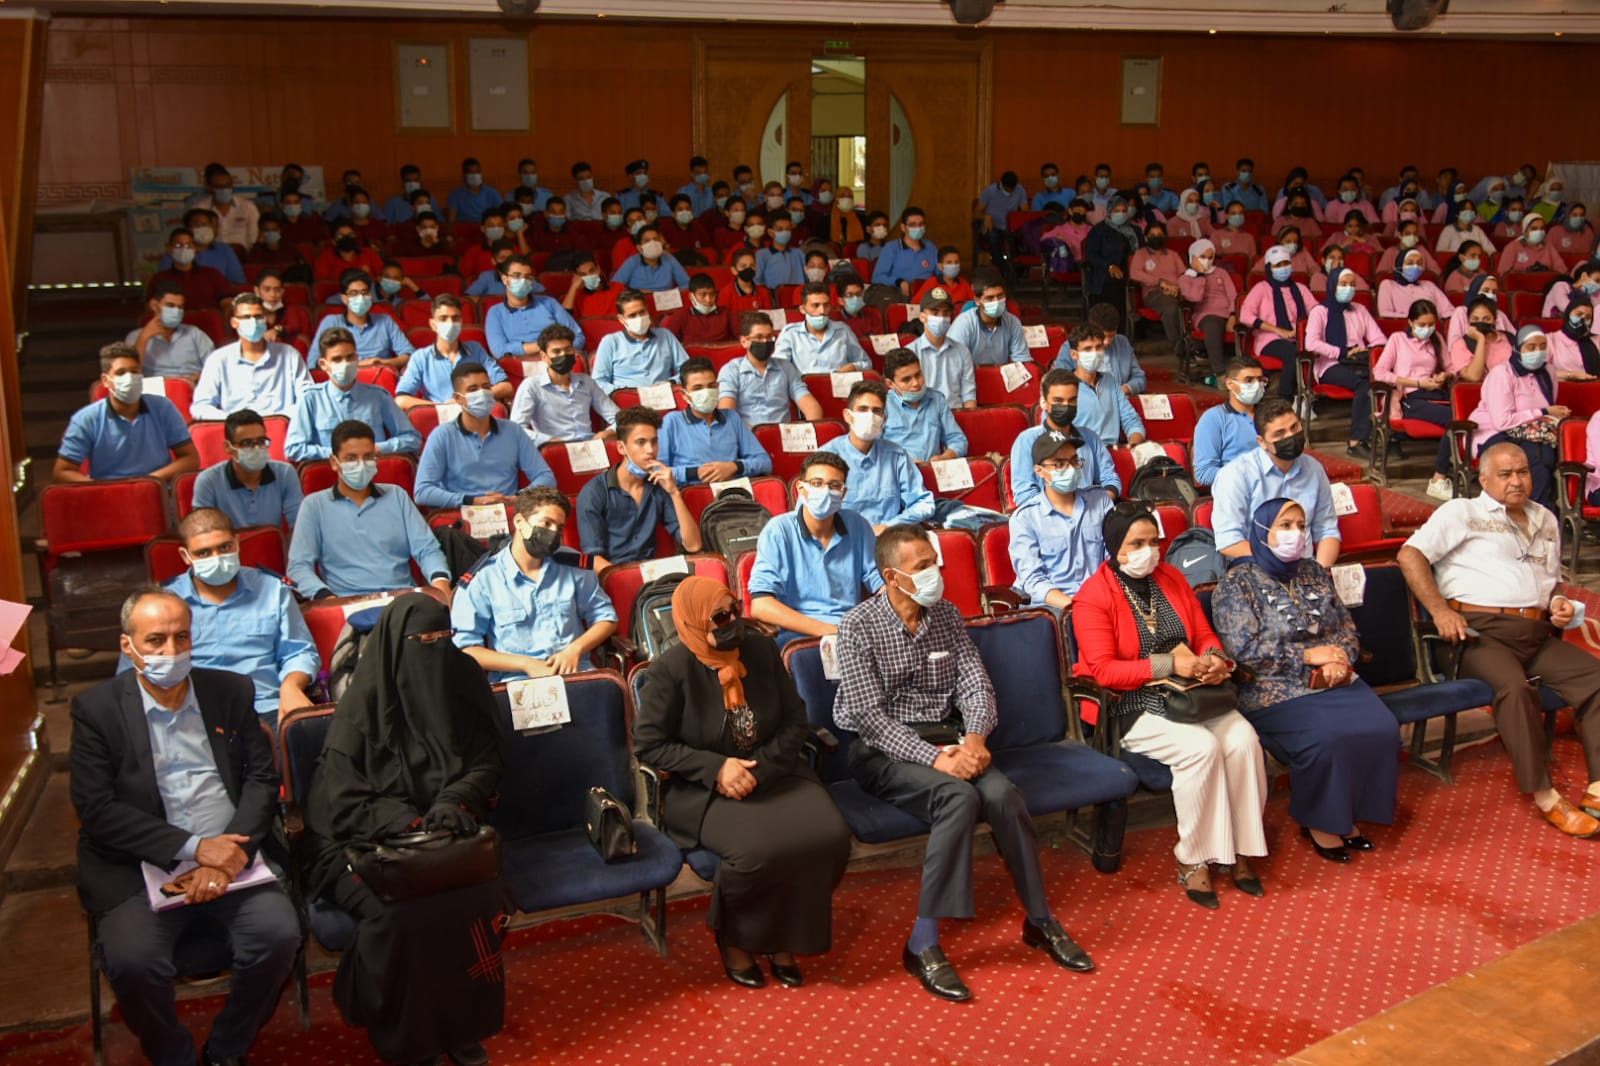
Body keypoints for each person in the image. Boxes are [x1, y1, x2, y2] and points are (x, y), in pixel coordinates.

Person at [835, 525, 1095, 999]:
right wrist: (936, 760)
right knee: (957, 797)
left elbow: (976, 685)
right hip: (883, 750)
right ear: (891, 576)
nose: (935, 573)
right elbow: (869, 719)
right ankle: (923, 941)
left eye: (934, 562)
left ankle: (1040, 919)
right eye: (922, 567)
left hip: (949, 738)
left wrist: (974, 738)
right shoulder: (858, 626)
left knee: (1004, 795)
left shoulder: (947, 615)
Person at [71, 587, 301, 1066]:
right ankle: (172, 1055)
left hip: (232, 858)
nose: (170, 651)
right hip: (139, 867)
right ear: (127, 645)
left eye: (181, 637)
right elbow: (97, 808)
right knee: (133, 962)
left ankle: (227, 1048)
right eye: (155, 640)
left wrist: (228, 855)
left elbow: (261, 779)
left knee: (279, 935)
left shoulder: (229, 691)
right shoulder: (96, 710)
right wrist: (197, 849)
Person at [301, 593, 506, 1066]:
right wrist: (404, 822)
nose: (434, 650)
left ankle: (462, 1025)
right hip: (357, 840)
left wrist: (453, 800)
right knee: (402, 914)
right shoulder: (365, 704)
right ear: (396, 644)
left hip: (446, 829)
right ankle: (409, 1036)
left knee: (475, 895)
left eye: (443, 638)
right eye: (422, 641)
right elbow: (344, 800)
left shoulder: (462, 678)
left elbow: (487, 760)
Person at [632, 575, 850, 990]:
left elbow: (795, 721)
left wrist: (759, 769)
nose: (733, 621)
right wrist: (716, 769)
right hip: (703, 789)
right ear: (694, 623)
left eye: (734, 608)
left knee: (831, 837)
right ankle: (736, 938)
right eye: (719, 617)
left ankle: (784, 936)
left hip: (772, 772)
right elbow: (649, 745)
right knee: (757, 852)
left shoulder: (761, 649)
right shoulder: (669, 672)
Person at [1072, 503, 1269, 909]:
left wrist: (1214, 659)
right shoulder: (1093, 596)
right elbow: (1104, 671)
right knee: (1201, 748)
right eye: (1136, 544)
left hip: (1190, 693)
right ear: (1115, 547)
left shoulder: (1171, 577)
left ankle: (1242, 849)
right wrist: (1168, 665)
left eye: (1153, 542)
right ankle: (1193, 857)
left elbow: (1203, 634)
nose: (1149, 551)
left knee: (1244, 740)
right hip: (1131, 704)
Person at [1398, 442, 1600, 836]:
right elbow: (1410, 555)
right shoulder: (1462, 512)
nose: (1516, 481)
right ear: (1484, 479)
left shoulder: (1545, 518)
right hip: (1475, 633)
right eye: (1505, 474)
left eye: (1522, 472)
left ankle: (1597, 789)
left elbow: (1552, 583)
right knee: (1514, 688)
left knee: (1596, 679)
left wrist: (1559, 602)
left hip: (1535, 632)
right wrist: (1439, 610)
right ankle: (1546, 796)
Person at [1213, 498, 1399, 862]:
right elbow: (1243, 649)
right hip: (1274, 689)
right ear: (1262, 531)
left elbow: (1345, 626)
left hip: (1333, 678)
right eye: (1284, 526)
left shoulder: (1313, 571)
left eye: (1301, 526)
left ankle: (1350, 814)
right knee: (1327, 739)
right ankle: (1321, 822)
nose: (1295, 534)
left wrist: (1341, 656)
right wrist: (1308, 657)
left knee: (1383, 728)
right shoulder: (1237, 583)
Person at [135, 508, 318, 722]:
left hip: (264, 708)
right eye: (204, 553)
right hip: (191, 714)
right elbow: (138, 667)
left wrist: (291, 687)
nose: (217, 559)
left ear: (237, 543)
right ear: (185, 556)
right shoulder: (162, 603)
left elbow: (299, 652)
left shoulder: (273, 590)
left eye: (224, 547)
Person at [452, 487, 617, 682]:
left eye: (559, 528)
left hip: (574, 671)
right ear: (519, 522)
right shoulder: (483, 578)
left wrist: (575, 649)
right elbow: (466, 648)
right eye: (546, 523)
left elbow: (606, 618)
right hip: (517, 679)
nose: (553, 533)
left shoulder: (572, 564)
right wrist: (525, 664)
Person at [287, 421, 452, 601]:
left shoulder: (397, 496)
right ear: (334, 462)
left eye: (367, 457)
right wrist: (326, 598)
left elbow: (427, 549)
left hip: (403, 600)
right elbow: (299, 566)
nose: (361, 464)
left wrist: (440, 581)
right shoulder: (314, 505)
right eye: (351, 458)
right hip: (347, 602)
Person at [746, 451, 881, 642]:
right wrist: (830, 631)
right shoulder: (779, 530)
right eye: (817, 483)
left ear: (843, 493)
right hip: (799, 633)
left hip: (851, 630)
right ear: (801, 489)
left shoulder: (857, 525)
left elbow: (880, 583)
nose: (825, 491)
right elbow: (761, 605)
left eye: (834, 486)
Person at [1212, 399, 1340, 566]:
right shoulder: (1236, 475)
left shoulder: (1314, 469)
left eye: (1294, 427)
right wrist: (1277, 568)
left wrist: (1319, 572)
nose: (1290, 436)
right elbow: (1229, 540)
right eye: (1279, 434)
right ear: (1262, 442)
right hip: (1255, 569)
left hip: (1305, 569)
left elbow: (1327, 530)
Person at [575, 406, 702, 571]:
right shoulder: (594, 492)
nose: (650, 450)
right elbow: (594, 559)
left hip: (653, 573)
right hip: (612, 575)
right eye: (641, 442)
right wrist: (627, 579)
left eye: (654, 442)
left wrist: (674, 493)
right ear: (621, 448)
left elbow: (693, 545)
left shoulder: (660, 485)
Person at [413, 363, 555, 508]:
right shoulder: (441, 436)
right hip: (464, 512)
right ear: (458, 398)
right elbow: (422, 492)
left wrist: (515, 498)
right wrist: (473, 501)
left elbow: (546, 477)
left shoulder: (513, 431)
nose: (482, 394)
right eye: (473, 389)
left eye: (486, 387)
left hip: (509, 510)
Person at [55, 344, 196, 484]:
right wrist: (100, 488)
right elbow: (62, 472)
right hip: (108, 492)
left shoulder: (163, 407)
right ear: (105, 380)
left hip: (159, 488)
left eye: (134, 372)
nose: (129, 378)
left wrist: (149, 481)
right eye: (121, 372)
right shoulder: (86, 418)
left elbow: (190, 458)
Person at [1008, 430, 1114, 610]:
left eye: (1074, 460)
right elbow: (1033, 581)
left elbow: (1114, 558)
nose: (1070, 469)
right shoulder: (1025, 518)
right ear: (1039, 471)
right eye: (1059, 464)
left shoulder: (1100, 501)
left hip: (1098, 600)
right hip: (1052, 606)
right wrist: (1077, 607)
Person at [1464, 325, 1565, 511]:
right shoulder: (1502, 374)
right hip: (1494, 433)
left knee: (1549, 457)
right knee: (1533, 463)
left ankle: (1540, 512)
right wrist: (1543, 411)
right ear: (1518, 348)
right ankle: (1522, 513)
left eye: (1543, 347)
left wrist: (1548, 413)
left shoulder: (1548, 371)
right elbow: (1502, 421)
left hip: (1531, 432)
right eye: (1531, 347)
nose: (1538, 352)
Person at [285, 329, 419, 461]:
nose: (345, 364)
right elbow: (294, 449)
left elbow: (412, 439)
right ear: (323, 364)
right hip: (331, 470)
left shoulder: (378, 396)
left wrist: (377, 448)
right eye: (337, 359)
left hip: (374, 468)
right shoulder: (310, 398)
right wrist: (340, 454)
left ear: (356, 358)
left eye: (350, 357)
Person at [820, 381, 934, 532]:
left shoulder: (896, 456)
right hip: (843, 537)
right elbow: (811, 510)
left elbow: (924, 503)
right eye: (863, 409)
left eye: (876, 411)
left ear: (884, 419)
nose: (870, 416)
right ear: (848, 416)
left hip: (888, 537)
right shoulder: (826, 458)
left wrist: (889, 526)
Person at [1371, 300, 1457, 499]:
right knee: (1454, 419)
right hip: (1410, 398)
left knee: (1464, 416)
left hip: (1436, 394)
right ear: (1410, 322)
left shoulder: (1437, 339)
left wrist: (1444, 376)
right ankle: (1438, 479)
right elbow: (1379, 373)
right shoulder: (1397, 339)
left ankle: (1455, 470)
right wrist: (1418, 383)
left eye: (1431, 324)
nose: (1427, 329)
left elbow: (1451, 368)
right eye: (1422, 325)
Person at [188, 294, 313, 421]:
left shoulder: (290, 355)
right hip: (236, 428)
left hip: (282, 426)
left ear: (265, 320)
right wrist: (231, 420)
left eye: (258, 317)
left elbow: (308, 397)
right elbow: (200, 406)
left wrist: (284, 418)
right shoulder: (218, 359)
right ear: (234, 322)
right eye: (246, 317)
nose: (253, 322)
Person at [1008, 370, 1121, 508]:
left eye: (1072, 400)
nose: (1066, 406)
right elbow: (1025, 495)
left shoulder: (1090, 437)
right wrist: (1063, 512)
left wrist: (1098, 507)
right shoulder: (1027, 441)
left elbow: (1110, 479)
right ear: (1044, 402)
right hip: (1046, 516)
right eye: (1058, 401)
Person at [1305, 268, 1385, 457]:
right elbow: (1311, 344)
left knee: (1385, 381)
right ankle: (1356, 441)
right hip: (1330, 364)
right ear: (1333, 285)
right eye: (1343, 284)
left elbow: (1380, 339)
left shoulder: (1360, 309)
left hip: (1359, 361)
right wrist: (1341, 352)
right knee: (1365, 385)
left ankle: (1392, 437)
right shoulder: (1319, 311)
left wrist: (1366, 351)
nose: (1348, 288)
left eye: (1352, 285)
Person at [657, 357, 773, 484]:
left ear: (718, 388)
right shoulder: (671, 422)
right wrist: (696, 472)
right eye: (698, 388)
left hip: (731, 491)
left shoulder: (732, 418)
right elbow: (658, 471)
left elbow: (764, 462)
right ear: (684, 395)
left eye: (711, 386)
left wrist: (734, 467)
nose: (706, 392)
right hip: (691, 492)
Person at [191, 409, 303, 530]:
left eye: (261, 441)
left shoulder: (285, 473)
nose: (256, 448)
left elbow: (299, 525)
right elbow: (204, 533)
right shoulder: (208, 481)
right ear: (228, 447)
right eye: (246, 443)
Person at [395, 296, 511, 412]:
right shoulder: (420, 358)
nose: (450, 323)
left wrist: (468, 400)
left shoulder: (476, 349)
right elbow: (401, 400)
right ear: (433, 324)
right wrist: (444, 407)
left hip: (477, 414)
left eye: (455, 318)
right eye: (443, 318)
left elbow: (506, 387)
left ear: (461, 322)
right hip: (439, 417)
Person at [509, 324, 618, 445]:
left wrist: (608, 433)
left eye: (568, 350)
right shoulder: (531, 386)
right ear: (544, 356)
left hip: (590, 446)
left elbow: (619, 418)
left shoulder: (586, 382)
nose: (563, 355)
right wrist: (550, 441)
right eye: (557, 352)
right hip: (554, 448)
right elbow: (517, 429)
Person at [715, 311, 821, 425]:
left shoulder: (786, 367)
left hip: (783, 432)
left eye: (769, 337)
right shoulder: (731, 370)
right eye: (759, 337)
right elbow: (727, 413)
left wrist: (813, 428)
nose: (765, 341)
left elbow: (810, 406)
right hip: (748, 433)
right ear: (744, 341)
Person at [1239, 245, 1315, 399]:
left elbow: (1316, 311)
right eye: (1278, 265)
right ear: (1269, 268)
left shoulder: (1300, 288)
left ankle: (1306, 397)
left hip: (1298, 338)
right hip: (1269, 339)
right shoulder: (1261, 288)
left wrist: (1304, 329)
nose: (1283, 268)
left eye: (1286, 263)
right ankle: (1284, 398)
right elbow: (1245, 316)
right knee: (1294, 354)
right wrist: (1277, 330)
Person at [484, 254, 587, 361]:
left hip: (558, 362)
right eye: (517, 276)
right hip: (520, 366)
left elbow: (578, 337)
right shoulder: (495, 313)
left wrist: (555, 352)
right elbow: (499, 351)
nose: (523, 281)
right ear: (505, 279)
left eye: (528, 277)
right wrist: (548, 346)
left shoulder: (549, 303)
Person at [310, 270, 412, 372]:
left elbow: (409, 353)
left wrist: (382, 363)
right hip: (345, 377)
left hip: (381, 375)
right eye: (354, 293)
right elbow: (313, 362)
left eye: (365, 292)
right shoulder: (331, 322)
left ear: (371, 295)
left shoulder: (385, 321)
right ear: (344, 298)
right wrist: (359, 365)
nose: (361, 297)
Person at [590, 291, 691, 392]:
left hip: (663, 394)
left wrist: (672, 382)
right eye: (632, 315)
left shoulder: (665, 335)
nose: (639, 318)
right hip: (627, 397)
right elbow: (598, 382)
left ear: (647, 311)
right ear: (621, 319)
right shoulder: (610, 342)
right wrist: (629, 392)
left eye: (642, 312)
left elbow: (688, 370)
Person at [1192, 356, 1268, 487]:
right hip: (1238, 491)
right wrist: (1248, 475)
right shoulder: (1214, 419)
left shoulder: (1270, 414)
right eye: (1249, 380)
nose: (1256, 385)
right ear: (1229, 384)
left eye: (1260, 380)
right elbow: (1204, 473)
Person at [881, 347, 967, 462]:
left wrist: (944, 457)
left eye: (918, 375)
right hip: (896, 470)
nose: (916, 383)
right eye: (906, 380)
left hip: (932, 468)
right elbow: (872, 450)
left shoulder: (937, 399)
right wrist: (903, 464)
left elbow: (958, 440)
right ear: (890, 384)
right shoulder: (882, 405)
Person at [1065, 323, 1145, 446]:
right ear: (1074, 355)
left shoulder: (1110, 381)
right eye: (1087, 349)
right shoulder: (1063, 388)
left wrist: (1134, 442)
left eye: (1098, 347)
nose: (1095, 353)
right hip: (1081, 451)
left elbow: (1131, 419)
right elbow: (1056, 432)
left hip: (1113, 450)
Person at [772, 281, 866, 373]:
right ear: (803, 309)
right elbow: (778, 368)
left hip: (838, 382)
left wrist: (854, 366)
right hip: (803, 382)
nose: (822, 311)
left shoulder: (843, 330)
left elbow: (865, 362)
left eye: (826, 305)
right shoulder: (790, 333)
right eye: (815, 305)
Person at [129, 281, 216, 379]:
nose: (176, 311)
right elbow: (131, 374)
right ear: (154, 306)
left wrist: (193, 379)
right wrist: (144, 337)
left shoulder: (195, 334)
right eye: (170, 306)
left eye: (180, 307)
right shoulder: (135, 336)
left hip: (192, 385)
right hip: (156, 386)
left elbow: (215, 367)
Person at [1178, 239, 1240, 378]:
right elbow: (1195, 297)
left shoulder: (1221, 273)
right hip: (1205, 315)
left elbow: (1233, 296)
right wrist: (1200, 275)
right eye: (1202, 257)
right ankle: (1219, 372)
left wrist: (1233, 316)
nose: (1207, 260)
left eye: (1210, 257)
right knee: (1212, 325)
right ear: (1193, 257)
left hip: (1228, 313)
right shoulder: (1185, 278)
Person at [1127, 220, 1187, 357]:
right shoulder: (1141, 254)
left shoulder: (1173, 254)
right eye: (1152, 235)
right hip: (1155, 293)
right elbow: (1135, 274)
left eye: (1159, 235)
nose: (1156, 238)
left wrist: (1177, 288)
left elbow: (1183, 275)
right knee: (1171, 308)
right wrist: (1160, 282)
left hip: (1177, 291)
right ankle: (1181, 348)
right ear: (1146, 238)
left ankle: (1196, 346)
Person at [945, 273, 1028, 367]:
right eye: (990, 298)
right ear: (977, 301)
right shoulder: (963, 323)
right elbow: (954, 364)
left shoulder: (1013, 322)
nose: (996, 301)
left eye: (1000, 296)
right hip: (970, 375)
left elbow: (1022, 361)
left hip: (1002, 374)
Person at [147, 228, 234, 314]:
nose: (184, 249)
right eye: (178, 245)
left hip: (207, 321)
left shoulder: (212, 274)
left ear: (195, 249)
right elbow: (151, 308)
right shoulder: (159, 279)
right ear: (169, 249)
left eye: (188, 245)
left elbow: (227, 302)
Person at [1083, 195, 1139, 319]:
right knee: (1113, 283)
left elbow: (1143, 252)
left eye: (1124, 211)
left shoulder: (1135, 231)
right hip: (1106, 271)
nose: (1121, 214)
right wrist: (1109, 265)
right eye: (1117, 211)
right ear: (1109, 212)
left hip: (1133, 270)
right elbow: (1091, 255)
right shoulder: (1098, 231)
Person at [871, 207, 939, 299]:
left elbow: (940, 274)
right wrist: (899, 282)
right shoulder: (891, 248)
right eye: (913, 224)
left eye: (921, 224)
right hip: (900, 296)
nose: (918, 228)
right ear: (903, 227)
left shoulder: (930, 247)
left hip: (927, 297)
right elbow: (877, 278)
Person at [1446, 296, 1513, 383]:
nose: (1480, 322)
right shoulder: (1460, 344)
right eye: (1475, 319)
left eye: (1486, 319)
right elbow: (1474, 377)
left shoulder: (1509, 338)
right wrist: (1480, 340)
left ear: (1495, 320)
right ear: (1469, 320)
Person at [1377, 249, 1455, 318]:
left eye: (1419, 263)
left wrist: (1432, 318)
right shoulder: (1388, 285)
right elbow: (1384, 313)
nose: (1415, 267)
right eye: (1410, 263)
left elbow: (1450, 310)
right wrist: (1417, 317)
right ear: (1400, 265)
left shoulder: (1429, 285)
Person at [662, 273, 737, 345]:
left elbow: (740, 337)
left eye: (712, 294)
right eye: (703, 295)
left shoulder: (726, 313)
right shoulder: (682, 315)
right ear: (691, 296)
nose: (708, 300)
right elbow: (669, 343)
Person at [612, 225, 692, 292]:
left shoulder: (669, 259)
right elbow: (616, 286)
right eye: (647, 241)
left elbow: (687, 283)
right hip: (640, 300)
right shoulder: (632, 261)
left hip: (666, 300)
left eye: (656, 239)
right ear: (639, 248)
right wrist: (636, 292)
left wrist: (672, 292)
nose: (652, 243)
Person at [1551, 295, 1599, 383]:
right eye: (1578, 314)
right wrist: (1571, 375)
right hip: (1567, 387)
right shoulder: (1551, 340)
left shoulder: (1596, 339)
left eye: (1588, 317)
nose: (1583, 319)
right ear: (1568, 314)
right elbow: (1539, 373)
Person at [445, 155, 502, 223]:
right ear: (464, 175)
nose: (475, 175)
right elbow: (451, 221)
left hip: (487, 228)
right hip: (465, 228)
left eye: (477, 172)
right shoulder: (455, 195)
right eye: (471, 172)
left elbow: (501, 216)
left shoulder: (493, 193)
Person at [755, 216, 806, 292]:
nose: (785, 232)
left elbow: (808, 277)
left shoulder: (799, 253)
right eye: (780, 229)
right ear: (770, 232)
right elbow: (757, 282)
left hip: (799, 296)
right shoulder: (762, 255)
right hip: (773, 297)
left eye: (788, 229)